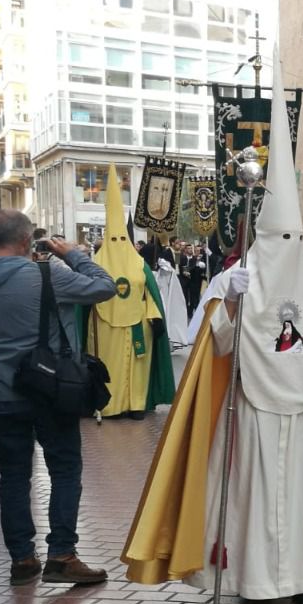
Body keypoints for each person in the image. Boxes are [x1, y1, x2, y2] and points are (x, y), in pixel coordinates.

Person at [122, 50, 303, 604]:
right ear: (262, 239)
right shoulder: (232, 281)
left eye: (297, 239)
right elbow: (209, 350)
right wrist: (228, 305)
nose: (290, 249)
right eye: (279, 239)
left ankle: (302, 580)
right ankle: (254, 581)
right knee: (251, 497)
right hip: (252, 408)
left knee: (300, 495)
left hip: (300, 410)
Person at [0, 209, 116, 585]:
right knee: (65, 469)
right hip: (47, 391)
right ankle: (62, 553)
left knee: (12, 474)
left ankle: (22, 558)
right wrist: (73, 254)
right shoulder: (45, 274)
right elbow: (104, 286)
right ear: (27, 242)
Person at [85, 165, 175, 420]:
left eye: (121, 239)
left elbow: (150, 293)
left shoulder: (139, 264)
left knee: (136, 367)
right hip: (104, 327)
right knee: (109, 365)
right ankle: (108, 405)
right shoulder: (95, 264)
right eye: (114, 239)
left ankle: (136, 404)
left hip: (138, 325)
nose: (118, 245)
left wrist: (154, 316)